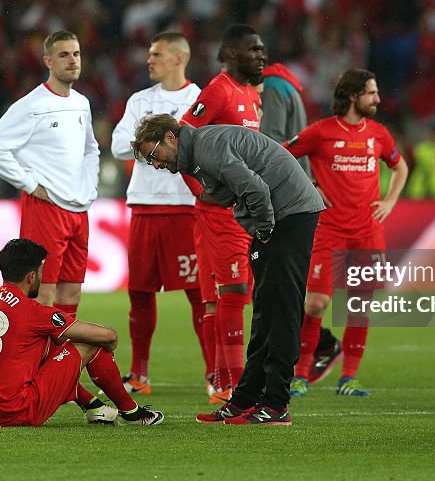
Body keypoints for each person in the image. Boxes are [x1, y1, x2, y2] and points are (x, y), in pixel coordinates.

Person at [133, 114, 324, 425]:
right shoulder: (200, 151)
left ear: (170, 137)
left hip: (289, 215)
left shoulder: (207, 148)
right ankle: (245, 400)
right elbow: (232, 189)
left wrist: (263, 231)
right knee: (264, 313)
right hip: (286, 212)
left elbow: (256, 189)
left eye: (154, 155)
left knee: (282, 311)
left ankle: (277, 405)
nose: (155, 164)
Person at [283, 68, 408, 397]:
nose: (378, 99)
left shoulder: (379, 134)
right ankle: (300, 374)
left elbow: (400, 167)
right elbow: (281, 155)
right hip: (329, 229)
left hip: (367, 231)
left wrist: (391, 201)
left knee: (359, 306)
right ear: (353, 95)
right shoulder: (322, 132)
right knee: (315, 304)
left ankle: (348, 378)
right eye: (371, 92)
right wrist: (309, 185)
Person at [0, 238, 163, 426]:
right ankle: (131, 412)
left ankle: (93, 406)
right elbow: (109, 336)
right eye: (41, 271)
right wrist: (108, 347)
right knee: (89, 342)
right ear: (32, 276)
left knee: (45, 344)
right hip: (14, 412)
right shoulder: (32, 312)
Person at [110, 31, 207, 394]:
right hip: (144, 207)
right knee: (139, 292)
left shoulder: (200, 98)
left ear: (179, 58)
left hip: (186, 207)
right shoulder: (140, 100)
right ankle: (139, 374)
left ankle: (216, 375)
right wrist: (166, 139)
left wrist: (152, 142)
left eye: (157, 54)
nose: (149, 60)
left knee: (199, 293)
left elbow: (206, 145)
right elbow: (120, 145)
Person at [0, 30, 99, 314]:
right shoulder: (32, 105)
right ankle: (37, 357)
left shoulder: (81, 103)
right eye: (63, 55)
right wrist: (29, 184)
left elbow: (90, 149)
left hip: (78, 208)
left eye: (76, 54)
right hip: (46, 208)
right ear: (48, 61)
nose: (72, 61)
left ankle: (62, 357)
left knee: (71, 290)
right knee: (42, 291)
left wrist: (90, 185)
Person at [179, 24, 263, 403]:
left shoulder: (248, 94)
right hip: (221, 211)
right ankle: (234, 384)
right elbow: (180, 137)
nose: (261, 55)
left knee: (222, 296)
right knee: (234, 291)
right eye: (254, 49)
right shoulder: (219, 90)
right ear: (231, 53)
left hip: (241, 207)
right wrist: (202, 189)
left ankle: (220, 380)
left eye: (262, 49)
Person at [258, 60, 344, 383]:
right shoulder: (288, 86)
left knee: (275, 284)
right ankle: (315, 345)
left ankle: (309, 348)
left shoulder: (272, 89)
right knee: (285, 284)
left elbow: (272, 145)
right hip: (299, 195)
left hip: (283, 199)